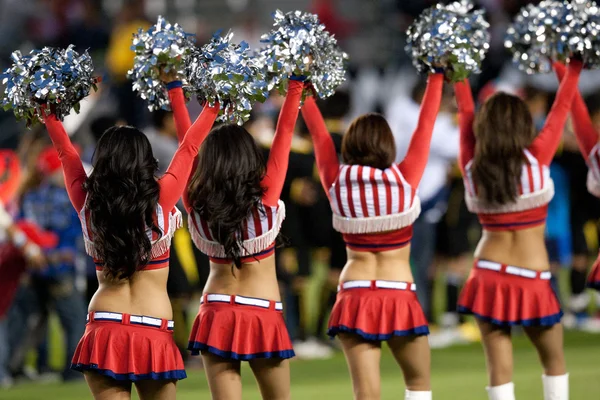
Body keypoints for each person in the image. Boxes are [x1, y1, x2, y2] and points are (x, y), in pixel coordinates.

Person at [41, 95, 219, 398]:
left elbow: (65, 153)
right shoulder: (162, 197)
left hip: (103, 325)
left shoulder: (88, 201)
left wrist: (48, 113)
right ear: (144, 158)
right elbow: (190, 147)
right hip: (152, 327)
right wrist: (213, 105)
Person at [301, 71, 444, 400]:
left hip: (354, 294)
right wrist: (436, 77)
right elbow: (426, 125)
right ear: (387, 145)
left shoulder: (337, 183)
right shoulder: (405, 179)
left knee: (366, 394)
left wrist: (302, 88)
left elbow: (321, 137)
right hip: (398, 293)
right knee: (419, 385)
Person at [166, 75, 303, 399]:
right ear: (249, 157)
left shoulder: (196, 203)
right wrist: (295, 82)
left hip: (215, 310)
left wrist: (175, 89)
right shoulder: (266, 199)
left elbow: (188, 146)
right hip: (261, 311)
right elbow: (284, 134)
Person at [454, 60, 582, 400]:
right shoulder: (538, 158)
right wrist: (570, 65)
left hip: (488, 274)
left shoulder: (472, 165)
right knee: (553, 363)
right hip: (532, 276)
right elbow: (562, 106)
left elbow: (466, 116)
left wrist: (457, 72)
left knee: (499, 371)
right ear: (524, 124)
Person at [555, 63, 600, 293]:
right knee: (579, 254)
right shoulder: (592, 152)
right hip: (583, 206)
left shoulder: (593, 152)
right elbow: (577, 110)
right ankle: (579, 303)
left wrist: (565, 66)